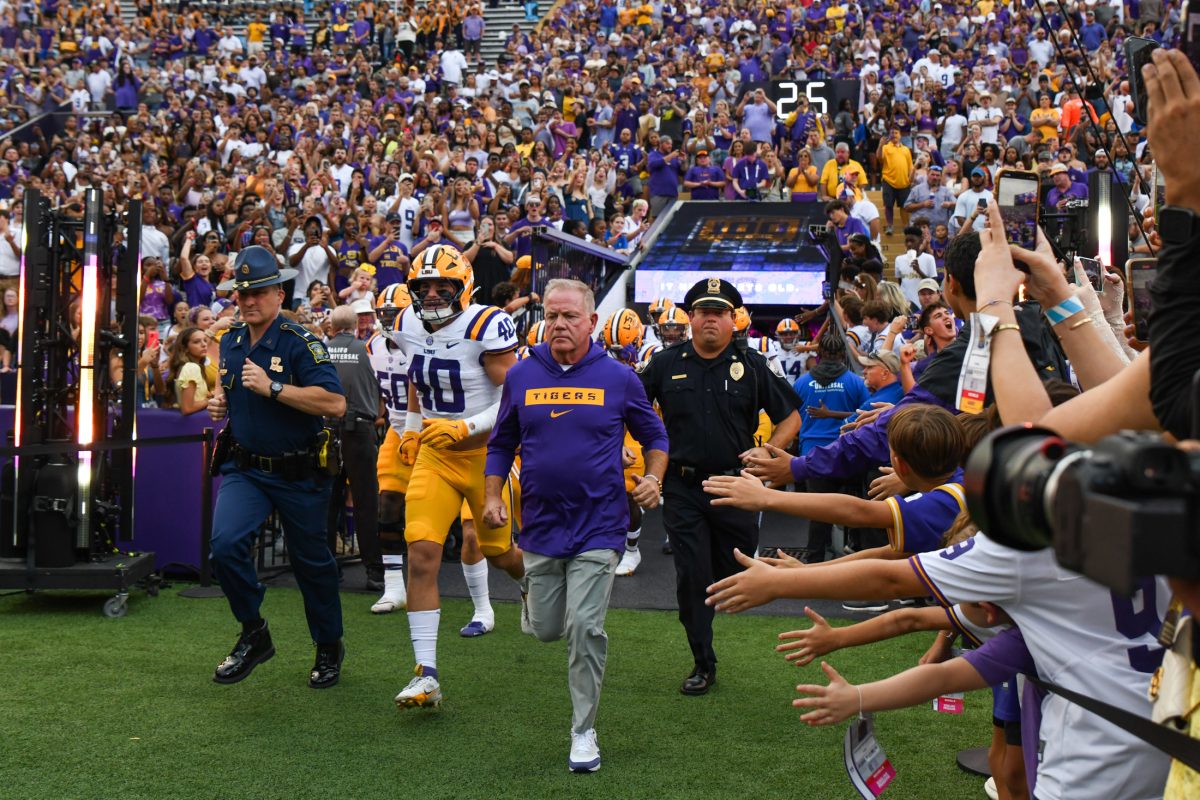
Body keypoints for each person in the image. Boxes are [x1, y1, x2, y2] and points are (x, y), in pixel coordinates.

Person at [484, 278, 668, 773]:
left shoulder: (619, 377)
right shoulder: (522, 375)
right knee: (546, 631)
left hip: (600, 527)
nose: (559, 324)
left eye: (570, 316)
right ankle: (530, 596)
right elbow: (502, 442)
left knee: (585, 628)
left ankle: (583, 731)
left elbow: (656, 436)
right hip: (541, 527)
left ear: (591, 321)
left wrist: (652, 478)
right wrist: (492, 495)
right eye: (552, 315)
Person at [637, 277, 801, 695]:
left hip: (735, 486)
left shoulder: (751, 366)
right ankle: (702, 661)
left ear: (733, 320)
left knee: (734, 568)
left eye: (720, 313)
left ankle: (715, 595)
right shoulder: (664, 363)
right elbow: (632, 407)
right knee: (691, 574)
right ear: (689, 318)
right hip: (683, 485)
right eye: (703, 312)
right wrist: (626, 445)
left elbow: (791, 416)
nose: (711, 319)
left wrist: (770, 452)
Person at [205, 245, 348, 689]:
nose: (249, 301)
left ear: (279, 294)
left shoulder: (301, 341)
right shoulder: (229, 339)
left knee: (312, 566)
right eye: (242, 293)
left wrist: (274, 387)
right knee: (225, 546)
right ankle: (254, 632)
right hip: (245, 467)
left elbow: (335, 403)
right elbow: (231, 388)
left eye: (259, 292)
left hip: (299, 471)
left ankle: (328, 645)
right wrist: (219, 402)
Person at [391, 244, 525, 710]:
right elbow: (416, 377)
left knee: (498, 551)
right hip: (435, 455)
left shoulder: (484, 325)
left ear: (462, 287)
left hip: (487, 454)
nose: (430, 295)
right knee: (422, 552)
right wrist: (411, 429)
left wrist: (465, 427)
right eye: (422, 287)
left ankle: (529, 585)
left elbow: (515, 397)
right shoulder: (406, 323)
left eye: (441, 286)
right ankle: (426, 673)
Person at [323, 305, 384, 591]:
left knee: (328, 500)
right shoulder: (367, 350)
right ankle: (374, 571)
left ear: (332, 327)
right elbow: (383, 388)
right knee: (366, 501)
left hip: (326, 429)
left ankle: (326, 566)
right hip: (360, 428)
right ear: (355, 325)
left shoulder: (320, 350)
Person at [366, 285, 412, 614]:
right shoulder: (372, 345)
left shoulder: (425, 343)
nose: (388, 321)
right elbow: (381, 390)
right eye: (384, 314)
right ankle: (394, 586)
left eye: (394, 315)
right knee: (388, 503)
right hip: (396, 432)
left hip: (430, 432)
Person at [877, 127, 914, 235]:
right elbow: (879, 158)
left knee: (904, 206)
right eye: (892, 132)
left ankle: (906, 226)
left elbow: (910, 166)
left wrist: (911, 178)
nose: (894, 134)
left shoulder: (906, 149)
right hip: (888, 180)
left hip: (904, 182)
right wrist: (880, 145)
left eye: (896, 132)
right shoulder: (885, 147)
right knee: (888, 205)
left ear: (900, 135)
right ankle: (890, 226)